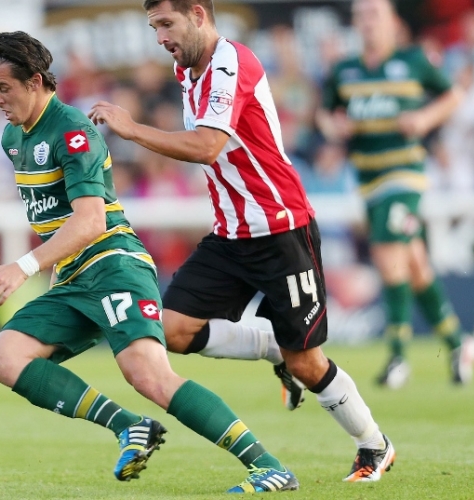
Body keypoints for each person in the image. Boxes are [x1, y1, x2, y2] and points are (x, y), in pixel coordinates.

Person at [0, 31, 299, 493]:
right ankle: (130, 426)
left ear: (34, 82)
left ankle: (268, 466)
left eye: (3, 88)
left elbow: (91, 221)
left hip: (113, 266)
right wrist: (54, 268)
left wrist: (22, 266)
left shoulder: (72, 131)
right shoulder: (14, 137)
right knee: (4, 357)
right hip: (73, 277)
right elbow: (56, 217)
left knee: (149, 375)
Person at [89, 0, 394, 484]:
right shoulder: (186, 70)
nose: (160, 37)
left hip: (281, 231)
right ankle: (273, 345)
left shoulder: (232, 62)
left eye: (166, 24)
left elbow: (208, 145)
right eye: (154, 27)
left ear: (198, 14)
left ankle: (374, 444)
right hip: (231, 234)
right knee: (170, 330)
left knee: (308, 363)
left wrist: (132, 129)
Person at [316, 0, 474, 388]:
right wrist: (333, 127)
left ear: (393, 22)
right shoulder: (345, 70)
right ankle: (458, 344)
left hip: (404, 176)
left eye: (374, 14)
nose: (367, 23)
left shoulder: (414, 61)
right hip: (368, 181)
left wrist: (425, 118)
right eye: (360, 16)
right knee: (415, 264)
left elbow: (454, 95)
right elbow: (325, 113)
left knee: (388, 255)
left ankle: (397, 357)